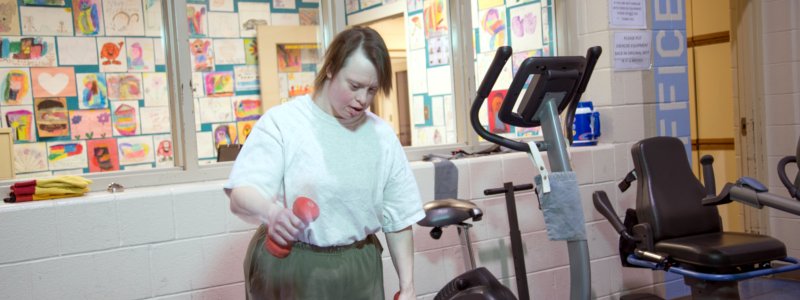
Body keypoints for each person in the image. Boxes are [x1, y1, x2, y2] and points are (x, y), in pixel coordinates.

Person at [225, 26, 424, 300]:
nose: (363, 100)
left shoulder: (382, 137)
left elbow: (398, 217)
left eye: (372, 90)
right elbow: (240, 195)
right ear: (330, 69)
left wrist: (409, 286)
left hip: (357, 270)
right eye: (354, 86)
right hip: (290, 265)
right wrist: (271, 213)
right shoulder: (284, 123)